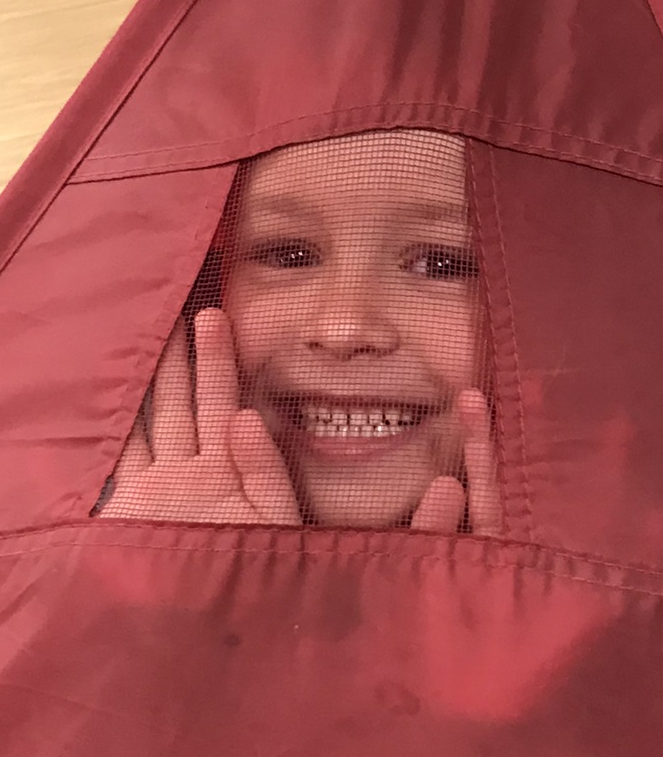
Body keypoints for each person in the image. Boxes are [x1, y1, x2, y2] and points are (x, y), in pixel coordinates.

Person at [100, 128, 501, 534]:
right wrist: (185, 568)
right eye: (289, 256)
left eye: (441, 264)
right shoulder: (105, 518)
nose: (342, 330)